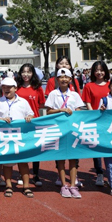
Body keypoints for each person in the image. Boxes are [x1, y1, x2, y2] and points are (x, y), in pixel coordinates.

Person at [45, 68, 86, 198]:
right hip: (58, 129)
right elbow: (48, 112)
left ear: (70, 79)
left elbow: (79, 111)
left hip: (72, 129)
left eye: (66, 77)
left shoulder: (75, 95)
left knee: (73, 158)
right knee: (61, 158)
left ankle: (73, 185)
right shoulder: (53, 94)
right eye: (61, 77)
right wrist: (61, 110)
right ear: (57, 79)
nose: (63, 80)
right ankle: (64, 185)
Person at [0, 77, 35, 198]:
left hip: (20, 136)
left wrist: (29, 117)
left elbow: (31, 114)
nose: (6, 89)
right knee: (7, 163)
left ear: (15, 88)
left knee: (23, 162)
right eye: (4, 87)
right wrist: (1, 119)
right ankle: (9, 186)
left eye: (9, 87)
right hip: (5, 136)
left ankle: (26, 186)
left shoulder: (23, 102)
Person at [81, 61, 111, 187]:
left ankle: (111, 174)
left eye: (101, 70)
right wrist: (93, 114)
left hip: (109, 121)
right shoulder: (89, 86)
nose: (99, 73)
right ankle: (99, 173)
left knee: (110, 147)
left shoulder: (111, 85)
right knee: (97, 148)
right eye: (96, 70)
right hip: (95, 120)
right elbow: (87, 102)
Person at [15, 63, 45, 187]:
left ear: (33, 73)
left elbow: (41, 104)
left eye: (28, 72)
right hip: (20, 124)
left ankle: (35, 174)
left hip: (34, 123)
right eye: (23, 72)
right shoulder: (16, 87)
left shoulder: (37, 88)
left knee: (35, 149)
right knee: (22, 149)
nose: (26, 74)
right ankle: (22, 174)